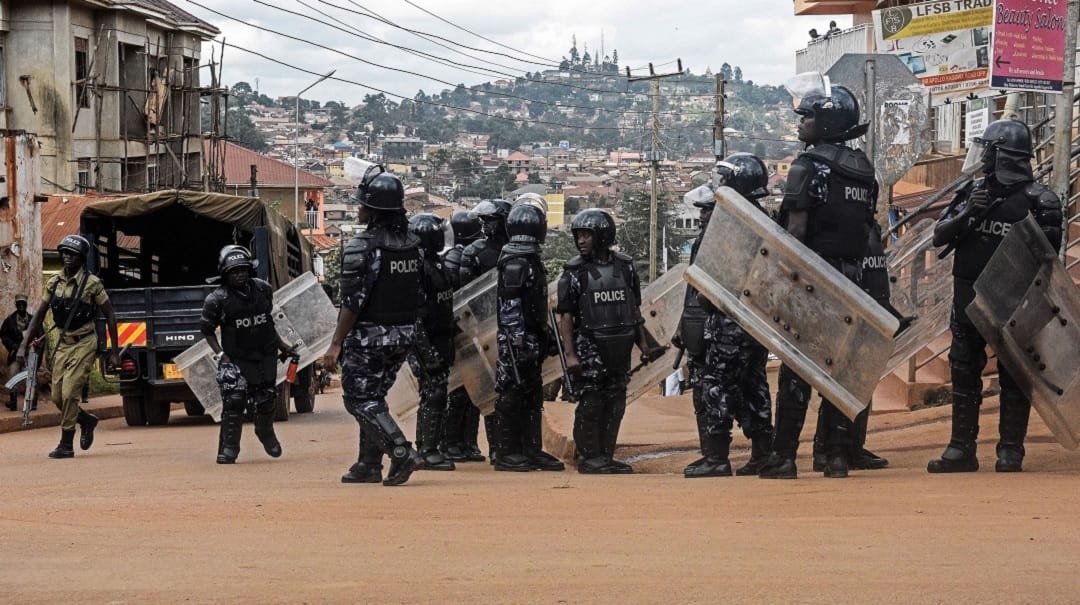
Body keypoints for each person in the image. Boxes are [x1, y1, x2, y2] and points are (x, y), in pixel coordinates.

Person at [927, 119, 1062, 473]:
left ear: (1003, 154)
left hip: (1016, 301)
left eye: (988, 150)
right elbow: (939, 236)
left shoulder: (1041, 201)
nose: (983, 157)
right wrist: (969, 212)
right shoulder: (971, 192)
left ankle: (1010, 451)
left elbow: (1048, 260)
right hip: (968, 297)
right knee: (963, 369)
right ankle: (961, 448)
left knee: (1015, 373)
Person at [759, 76, 876, 479]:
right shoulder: (863, 169)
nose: (800, 123)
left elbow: (795, 232)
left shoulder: (807, 166)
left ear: (826, 123)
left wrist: (779, 281)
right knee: (838, 370)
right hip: (851, 281)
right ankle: (835, 456)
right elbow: (867, 227)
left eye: (806, 117)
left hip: (812, 279)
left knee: (797, 369)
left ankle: (784, 457)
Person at [324, 171, 433, 486]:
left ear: (373, 211)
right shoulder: (413, 245)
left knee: (358, 399)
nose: (358, 209)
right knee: (374, 396)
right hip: (403, 335)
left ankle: (401, 451)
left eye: (362, 205)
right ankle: (368, 464)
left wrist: (336, 344)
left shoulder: (363, 247)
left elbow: (352, 302)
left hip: (370, 337)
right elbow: (420, 295)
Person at [685, 154, 776, 478]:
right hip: (755, 323)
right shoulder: (761, 221)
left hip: (729, 322)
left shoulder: (731, 227)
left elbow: (714, 281)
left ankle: (717, 457)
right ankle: (763, 453)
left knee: (717, 385)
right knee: (754, 386)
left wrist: (706, 301)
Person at [556, 209, 654, 474]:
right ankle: (590, 457)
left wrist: (644, 344)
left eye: (586, 235)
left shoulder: (625, 266)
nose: (581, 241)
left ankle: (606, 455)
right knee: (592, 402)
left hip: (620, 346)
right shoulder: (575, 271)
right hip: (590, 346)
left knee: (616, 402)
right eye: (578, 235)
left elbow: (633, 309)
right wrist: (570, 354)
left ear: (602, 235)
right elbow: (566, 316)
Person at [18, 234, 119, 458]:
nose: (67, 257)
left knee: (70, 391)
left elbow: (110, 315)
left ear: (81, 258)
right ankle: (86, 420)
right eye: (64, 253)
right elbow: (39, 315)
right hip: (63, 345)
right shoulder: (53, 282)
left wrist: (114, 352)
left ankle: (66, 444)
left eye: (72, 254)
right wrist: (23, 345)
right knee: (57, 396)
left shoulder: (92, 284)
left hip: (84, 342)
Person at [200, 245, 296, 465]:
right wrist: (221, 356)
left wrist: (283, 346)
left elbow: (267, 322)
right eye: (234, 271)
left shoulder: (263, 289)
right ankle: (229, 448)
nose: (239, 274)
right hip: (236, 357)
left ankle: (265, 432)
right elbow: (207, 331)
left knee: (267, 399)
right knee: (234, 401)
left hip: (266, 354)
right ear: (225, 274)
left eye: (243, 269)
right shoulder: (217, 299)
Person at [493, 203, 563, 472]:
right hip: (517, 343)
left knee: (532, 394)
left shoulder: (529, 258)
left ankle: (531, 449)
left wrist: (544, 335)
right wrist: (518, 344)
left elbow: (534, 305)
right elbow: (510, 309)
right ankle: (507, 452)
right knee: (511, 393)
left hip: (532, 337)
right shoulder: (515, 262)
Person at [455, 199, 512, 462]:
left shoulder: (516, 252)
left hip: (510, 327)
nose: (486, 225)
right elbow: (465, 296)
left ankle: (507, 446)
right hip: (480, 329)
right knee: (484, 390)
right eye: (484, 220)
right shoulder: (474, 253)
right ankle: (490, 447)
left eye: (491, 220)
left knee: (509, 390)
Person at [406, 213, 456, 472]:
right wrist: (426, 353)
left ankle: (430, 447)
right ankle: (427, 450)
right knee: (433, 393)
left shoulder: (436, 264)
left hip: (441, 339)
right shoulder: (418, 268)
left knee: (437, 393)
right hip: (427, 343)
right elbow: (415, 317)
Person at [439, 210, 486, 462]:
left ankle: (467, 442)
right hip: (461, 331)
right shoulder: (454, 259)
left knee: (470, 390)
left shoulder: (459, 257)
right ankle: (453, 443)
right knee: (460, 391)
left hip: (465, 329)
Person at [2, 294, 32, 410]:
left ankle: (32, 402)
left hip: (29, 355)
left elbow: (40, 335)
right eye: (18, 304)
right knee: (13, 376)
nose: (21, 307)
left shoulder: (33, 320)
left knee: (31, 378)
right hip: (15, 355)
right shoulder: (10, 320)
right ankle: (13, 402)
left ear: (26, 305)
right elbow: (4, 336)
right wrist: (13, 346)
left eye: (23, 304)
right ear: (16, 305)